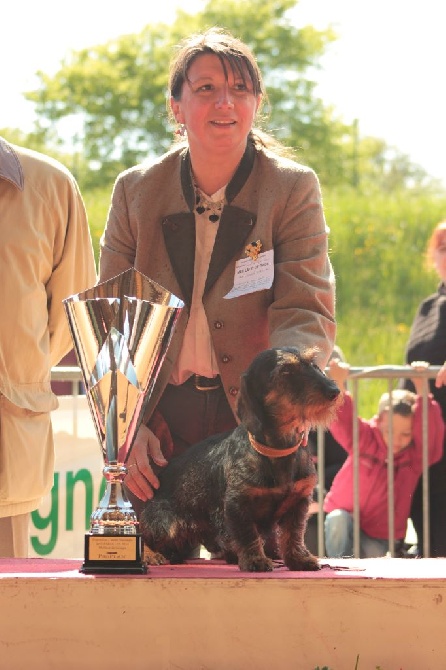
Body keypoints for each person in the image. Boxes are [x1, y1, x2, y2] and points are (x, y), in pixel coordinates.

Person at [98, 28, 336, 510]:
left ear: (256, 103)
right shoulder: (134, 191)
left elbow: (304, 306)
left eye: (239, 90)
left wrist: (281, 412)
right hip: (159, 418)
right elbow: (111, 321)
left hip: (254, 411)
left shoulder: (292, 188)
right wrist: (126, 424)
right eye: (205, 88)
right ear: (176, 107)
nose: (224, 102)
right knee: (145, 573)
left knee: (258, 574)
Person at [0, 136, 97, 557]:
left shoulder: (49, 186)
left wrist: (18, 373)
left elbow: (68, 316)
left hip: (6, 457)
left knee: (9, 612)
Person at [323, 358, 444, 558]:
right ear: (378, 422)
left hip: (380, 536)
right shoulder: (365, 439)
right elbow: (343, 422)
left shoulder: (414, 457)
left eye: (405, 434)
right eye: (389, 431)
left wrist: (422, 391)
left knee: (372, 571)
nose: (397, 440)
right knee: (337, 519)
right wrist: (338, 385)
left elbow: (429, 435)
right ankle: (340, 572)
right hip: (347, 520)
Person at [400, 221, 446, 556]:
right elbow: (409, 366)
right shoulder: (428, 307)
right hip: (423, 440)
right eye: (442, 248)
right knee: (429, 524)